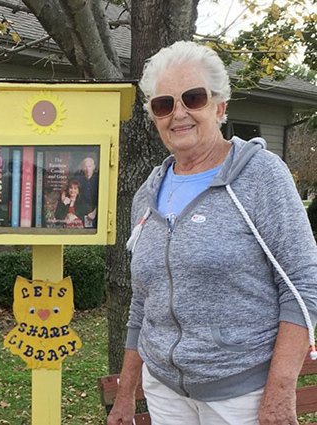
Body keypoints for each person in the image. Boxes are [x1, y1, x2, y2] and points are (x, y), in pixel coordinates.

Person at [108, 41, 317, 425]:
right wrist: (126, 393)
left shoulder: (261, 176)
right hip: (164, 390)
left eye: (194, 98)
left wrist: (280, 392)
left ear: (219, 107)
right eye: (164, 104)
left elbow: (303, 286)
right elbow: (143, 303)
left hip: (242, 395)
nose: (179, 113)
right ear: (154, 115)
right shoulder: (147, 194)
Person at [76, 157, 99, 228]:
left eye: (89, 166)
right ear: (83, 168)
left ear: (94, 167)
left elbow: (103, 198)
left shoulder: (98, 180)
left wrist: (94, 212)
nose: (87, 169)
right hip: (81, 213)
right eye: (85, 167)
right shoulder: (79, 180)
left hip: (95, 215)